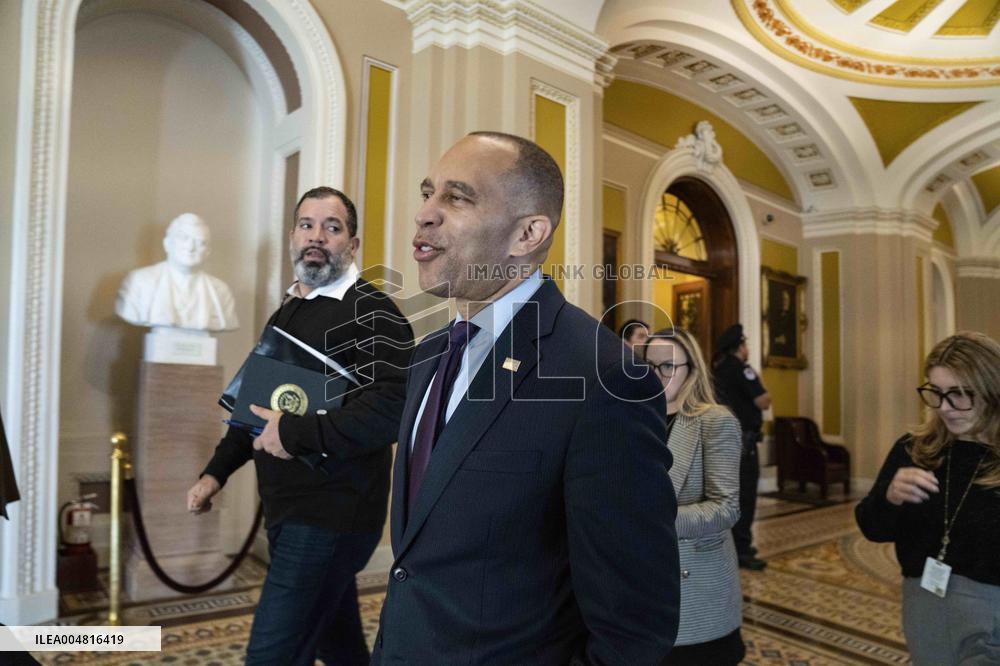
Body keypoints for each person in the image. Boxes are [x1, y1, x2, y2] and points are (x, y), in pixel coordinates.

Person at [371, 132, 680, 665]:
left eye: (457, 197)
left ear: (528, 233)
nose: (424, 214)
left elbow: (633, 622)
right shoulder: (428, 355)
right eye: (428, 192)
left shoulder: (604, 376)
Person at [186, 187, 413, 666]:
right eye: (307, 225)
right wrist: (216, 473)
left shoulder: (376, 313)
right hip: (289, 511)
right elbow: (255, 408)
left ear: (352, 245)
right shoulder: (287, 310)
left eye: (332, 227)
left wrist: (294, 434)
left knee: (271, 655)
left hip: (333, 516)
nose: (317, 236)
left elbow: (388, 410)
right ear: (292, 237)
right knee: (340, 645)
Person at [856, 332, 1000, 665]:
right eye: (935, 393)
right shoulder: (915, 449)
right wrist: (890, 497)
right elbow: (872, 527)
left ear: (993, 390)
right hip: (924, 604)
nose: (945, 408)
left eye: (960, 394)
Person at [641, 327, 745, 665]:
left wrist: (653, 522)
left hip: (697, 583)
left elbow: (726, 507)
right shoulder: (635, 419)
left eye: (668, 366)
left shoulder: (714, 421)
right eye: (649, 366)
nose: (657, 376)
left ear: (692, 370)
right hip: (641, 578)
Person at [115, 213, 239, 331]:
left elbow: (228, 321)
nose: (191, 247)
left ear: (208, 252)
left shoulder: (221, 291)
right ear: (167, 244)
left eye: (200, 242)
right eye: (184, 238)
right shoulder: (139, 282)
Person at [712, 323, 770, 570]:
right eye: (745, 344)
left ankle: (730, 545)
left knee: (726, 495)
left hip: (722, 442)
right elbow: (764, 401)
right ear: (740, 346)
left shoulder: (716, 370)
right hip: (744, 444)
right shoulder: (744, 370)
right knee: (745, 496)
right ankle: (742, 548)